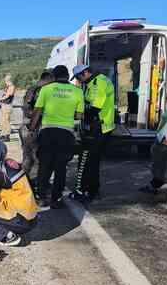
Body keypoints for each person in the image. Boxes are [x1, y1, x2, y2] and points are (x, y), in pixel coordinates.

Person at [29, 65, 84, 208]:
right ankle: (56, 199)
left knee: (44, 166)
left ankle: (41, 197)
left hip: (47, 132)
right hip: (66, 134)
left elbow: (37, 111)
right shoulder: (78, 91)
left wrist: (32, 129)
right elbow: (79, 115)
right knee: (61, 168)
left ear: (54, 76)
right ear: (67, 76)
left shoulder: (46, 89)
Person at [69, 65, 115, 203]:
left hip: (99, 127)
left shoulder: (98, 83)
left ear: (85, 72)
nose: (78, 80)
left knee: (88, 160)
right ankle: (91, 190)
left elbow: (94, 108)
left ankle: (87, 191)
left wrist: (75, 113)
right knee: (92, 161)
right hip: (100, 126)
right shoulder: (95, 81)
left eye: (79, 77)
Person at [19, 71, 54, 177]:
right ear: (47, 79)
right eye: (52, 81)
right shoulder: (38, 90)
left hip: (28, 127)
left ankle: (25, 181)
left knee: (28, 157)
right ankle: (32, 182)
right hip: (31, 128)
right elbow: (28, 110)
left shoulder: (32, 89)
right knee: (35, 157)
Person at [0, 74, 15, 142]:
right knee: (2, 120)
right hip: (4, 105)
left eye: (6, 80)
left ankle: (7, 135)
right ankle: (3, 134)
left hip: (7, 105)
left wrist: (1, 98)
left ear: (8, 80)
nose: (5, 81)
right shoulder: (8, 86)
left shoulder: (12, 87)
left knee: (6, 121)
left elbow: (9, 94)